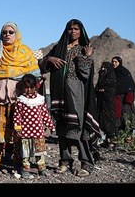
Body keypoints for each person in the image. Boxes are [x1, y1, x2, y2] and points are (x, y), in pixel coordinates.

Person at [39, 19, 99, 177]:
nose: (73, 31)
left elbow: (85, 74)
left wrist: (87, 57)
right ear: (66, 31)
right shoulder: (58, 48)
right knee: (62, 127)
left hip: (76, 92)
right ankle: (65, 161)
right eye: (70, 29)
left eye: (76, 29)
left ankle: (86, 162)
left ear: (81, 31)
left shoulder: (84, 49)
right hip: (59, 91)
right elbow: (41, 65)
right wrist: (49, 59)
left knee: (77, 127)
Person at [0, 22, 41, 175]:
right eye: (4, 32)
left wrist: (27, 94)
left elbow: (36, 75)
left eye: (11, 32)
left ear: (17, 34)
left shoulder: (25, 52)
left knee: (18, 135)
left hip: (19, 103)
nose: (7, 35)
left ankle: (17, 162)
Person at [13, 74, 55, 179]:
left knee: (39, 151)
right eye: (26, 87)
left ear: (35, 87)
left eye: (31, 87)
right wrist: (17, 127)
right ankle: (25, 169)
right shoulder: (20, 100)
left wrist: (51, 126)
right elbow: (17, 115)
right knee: (25, 152)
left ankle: (41, 168)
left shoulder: (40, 99)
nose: (28, 90)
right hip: (25, 132)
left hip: (38, 132)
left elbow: (45, 114)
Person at [112, 56, 135, 135]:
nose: (114, 63)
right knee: (117, 118)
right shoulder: (111, 72)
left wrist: (129, 98)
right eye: (113, 61)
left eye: (116, 62)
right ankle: (118, 138)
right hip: (116, 99)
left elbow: (130, 84)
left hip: (125, 99)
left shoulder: (124, 72)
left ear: (119, 62)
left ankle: (128, 138)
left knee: (127, 117)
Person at [95, 61, 117, 148]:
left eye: (105, 67)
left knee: (109, 121)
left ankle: (112, 141)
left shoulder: (111, 77)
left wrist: (105, 90)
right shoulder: (102, 74)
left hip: (108, 103)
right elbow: (98, 86)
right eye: (102, 67)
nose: (103, 69)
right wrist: (99, 90)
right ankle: (103, 140)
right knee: (101, 120)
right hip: (101, 103)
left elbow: (111, 87)